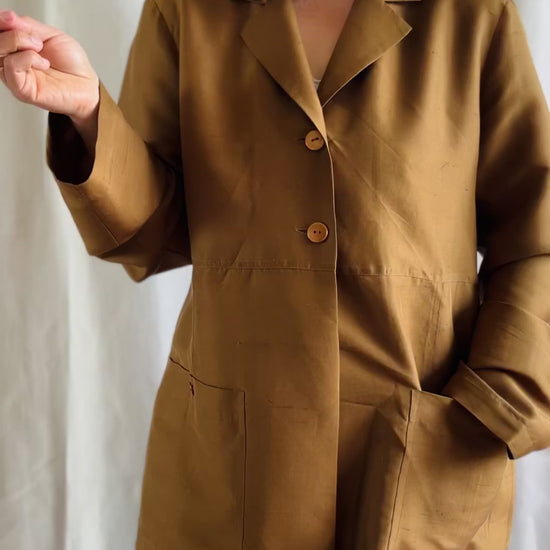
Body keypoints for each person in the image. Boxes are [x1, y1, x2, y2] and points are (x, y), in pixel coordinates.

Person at [2, 0, 550, 548]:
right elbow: (156, 233)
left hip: (424, 472)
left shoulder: (472, 15)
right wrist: (90, 115)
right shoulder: (187, 11)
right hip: (232, 475)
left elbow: (537, 235)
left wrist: (493, 408)